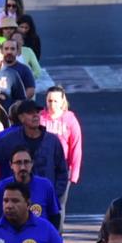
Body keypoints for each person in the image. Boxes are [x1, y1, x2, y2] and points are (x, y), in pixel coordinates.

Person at [42, 86, 82, 220]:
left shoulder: (70, 119)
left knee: (59, 203)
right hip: (42, 166)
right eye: (49, 100)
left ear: (62, 101)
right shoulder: (41, 118)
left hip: (63, 167)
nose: (52, 104)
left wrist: (74, 173)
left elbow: (76, 146)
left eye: (55, 101)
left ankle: (57, 234)